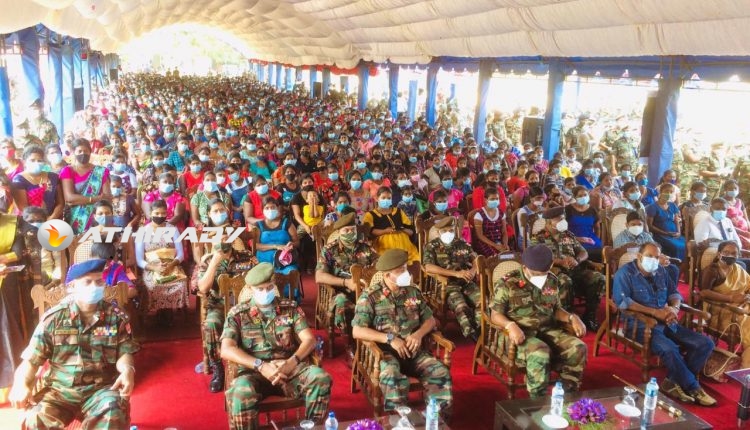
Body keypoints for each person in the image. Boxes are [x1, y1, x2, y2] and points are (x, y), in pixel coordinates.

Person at [8, 260, 139, 428]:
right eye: (87, 282)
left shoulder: (115, 317)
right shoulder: (53, 319)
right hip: (59, 391)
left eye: (99, 282)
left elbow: (124, 352)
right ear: (72, 286)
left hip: (100, 390)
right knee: (35, 419)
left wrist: (128, 369)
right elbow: (31, 360)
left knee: (113, 414)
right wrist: (20, 384)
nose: (94, 287)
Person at [221, 263, 332, 428]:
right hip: (254, 373)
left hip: (288, 370)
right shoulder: (238, 314)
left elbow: (309, 340)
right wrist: (261, 365)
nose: (265, 292)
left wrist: (291, 362)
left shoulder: (290, 308)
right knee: (240, 392)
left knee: (320, 378)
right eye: (260, 289)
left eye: (269, 287)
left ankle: (313, 426)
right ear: (250, 289)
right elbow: (226, 349)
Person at [352, 249, 453, 419]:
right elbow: (357, 330)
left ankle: (437, 421)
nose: (406, 274)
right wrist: (390, 338)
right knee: (392, 376)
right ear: (387, 275)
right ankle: (399, 421)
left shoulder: (413, 291)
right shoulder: (370, 297)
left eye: (406, 268)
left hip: (414, 351)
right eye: (400, 271)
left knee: (440, 372)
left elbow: (430, 320)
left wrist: (418, 334)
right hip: (385, 354)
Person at [612, 242, 717, 406]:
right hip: (640, 325)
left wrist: (674, 309)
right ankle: (694, 387)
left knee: (705, 343)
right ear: (639, 256)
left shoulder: (660, 271)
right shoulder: (625, 273)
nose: (654, 260)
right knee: (669, 349)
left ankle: (671, 381)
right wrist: (655, 312)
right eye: (649, 256)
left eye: (657, 257)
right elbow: (623, 302)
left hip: (667, 321)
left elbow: (674, 293)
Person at [490, 244, 587, 398]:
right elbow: (495, 315)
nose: (540, 277)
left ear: (551, 265)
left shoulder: (552, 280)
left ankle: (567, 394)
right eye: (535, 273)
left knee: (579, 347)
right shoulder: (507, 282)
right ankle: (537, 400)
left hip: (547, 329)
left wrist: (571, 317)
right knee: (541, 352)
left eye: (543, 273)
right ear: (525, 267)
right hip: (517, 334)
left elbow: (556, 309)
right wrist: (510, 325)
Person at [315, 212, 378, 364]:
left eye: (352, 230)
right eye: (346, 230)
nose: (350, 233)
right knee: (342, 303)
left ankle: (375, 343)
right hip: (340, 291)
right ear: (339, 232)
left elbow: (379, 267)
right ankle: (350, 346)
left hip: (365, 290)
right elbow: (319, 276)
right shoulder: (330, 250)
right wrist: (345, 283)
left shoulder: (366, 247)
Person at [532, 206, 605, 331]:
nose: (563, 221)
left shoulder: (568, 235)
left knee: (599, 278)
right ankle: (567, 318)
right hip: (554, 273)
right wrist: (561, 262)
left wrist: (577, 260)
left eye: (564, 218)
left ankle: (590, 316)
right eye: (559, 219)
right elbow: (537, 258)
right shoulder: (538, 238)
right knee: (565, 281)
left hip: (575, 270)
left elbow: (584, 252)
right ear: (549, 222)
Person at [422, 217, 480, 340]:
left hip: (466, 281)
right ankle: (471, 333)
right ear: (439, 232)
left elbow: (476, 258)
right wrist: (455, 274)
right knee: (461, 306)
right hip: (446, 284)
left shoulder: (462, 243)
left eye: (451, 230)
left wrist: (473, 270)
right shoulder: (432, 246)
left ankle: (481, 329)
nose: (448, 233)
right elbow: (428, 267)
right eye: (445, 231)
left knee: (482, 301)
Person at [699, 240, 750, 367]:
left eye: (734, 253)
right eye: (726, 252)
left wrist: (746, 297)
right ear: (719, 254)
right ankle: (746, 365)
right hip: (720, 311)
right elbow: (704, 293)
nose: (730, 256)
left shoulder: (738, 269)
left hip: (741, 306)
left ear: (738, 255)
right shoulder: (712, 271)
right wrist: (731, 298)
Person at [135, 199, 188, 322]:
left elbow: (180, 254)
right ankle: (160, 311)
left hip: (172, 265)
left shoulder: (173, 229)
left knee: (181, 283)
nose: (160, 216)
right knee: (151, 285)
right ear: (151, 213)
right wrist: (155, 268)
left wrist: (171, 265)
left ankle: (168, 310)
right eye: (157, 213)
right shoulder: (142, 231)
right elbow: (139, 260)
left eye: (163, 213)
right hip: (151, 268)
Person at [60, 138, 111, 234]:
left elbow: (107, 197)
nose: (83, 153)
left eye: (86, 151)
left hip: (98, 217)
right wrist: (96, 199)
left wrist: (78, 200)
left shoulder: (101, 171)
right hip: (75, 219)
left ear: (90, 152)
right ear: (73, 152)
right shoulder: (68, 171)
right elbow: (69, 198)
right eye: (79, 151)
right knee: (78, 243)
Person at [363, 187, 419, 264]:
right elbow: (370, 231)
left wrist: (402, 229)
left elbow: (411, 231)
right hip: (384, 247)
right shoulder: (370, 215)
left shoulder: (398, 211)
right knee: (391, 263)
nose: (386, 200)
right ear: (377, 198)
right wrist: (385, 231)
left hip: (404, 245)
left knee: (412, 262)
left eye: (389, 198)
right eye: (383, 198)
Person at [11, 145, 64, 219]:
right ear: (24, 162)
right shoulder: (19, 180)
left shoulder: (53, 177)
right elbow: (23, 207)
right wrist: (40, 220)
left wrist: (52, 217)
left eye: (40, 161)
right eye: (32, 160)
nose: (36, 163)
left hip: (52, 218)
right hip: (30, 220)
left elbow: (60, 202)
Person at [646, 183, 686, 261]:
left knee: (687, 244)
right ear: (660, 192)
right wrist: (666, 233)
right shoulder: (653, 207)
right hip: (660, 235)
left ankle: (684, 266)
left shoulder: (672, 205)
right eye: (666, 191)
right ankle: (673, 264)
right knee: (675, 247)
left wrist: (679, 232)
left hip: (674, 234)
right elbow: (650, 226)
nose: (669, 194)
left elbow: (676, 220)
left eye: (671, 192)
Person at [472, 187, 509, 256]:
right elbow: (480, 235)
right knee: (495, 257)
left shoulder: (501, 213)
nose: (495, 201)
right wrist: (495, 245)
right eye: (492, 199)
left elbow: (504, 231)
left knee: (508, 255)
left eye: (497, 199)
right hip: (485, 243)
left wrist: (505, 244)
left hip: (499, 242)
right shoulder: (479, 215)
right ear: (485, 200)